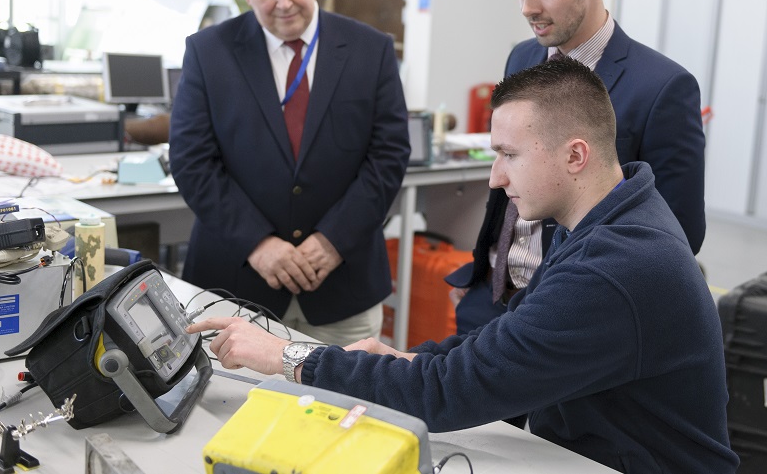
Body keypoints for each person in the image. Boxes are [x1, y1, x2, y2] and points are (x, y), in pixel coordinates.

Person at [187, 59, 738, 473]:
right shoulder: (613, 217)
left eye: (509, 155)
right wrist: (407, 357)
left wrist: (287, 355)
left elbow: (449, 392)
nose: (495, 178)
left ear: (575, 155)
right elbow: (507, 340)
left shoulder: (617, 268)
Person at [446, 0, 706, 334]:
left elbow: (680, 234)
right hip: (491, 300)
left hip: (571, 314)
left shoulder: (662, 87)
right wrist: (488, 272)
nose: (529, 8)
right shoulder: (523, 57)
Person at [169, 0, 410, 346]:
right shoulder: (208, 52)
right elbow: (192, 162)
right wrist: (258, 244)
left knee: (345, 407)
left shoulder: (370, 49)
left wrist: (333, 240)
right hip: (235, 286)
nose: (283, 3)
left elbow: (388, 156)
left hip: (343, 286)